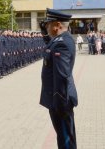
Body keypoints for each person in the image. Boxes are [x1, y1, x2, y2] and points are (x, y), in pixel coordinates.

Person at [39, 8, 78, 149]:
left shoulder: (62, 43)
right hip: (58, 98)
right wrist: (44, 33)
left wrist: (59, 104)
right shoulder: (60, 40)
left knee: (66, 139)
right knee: (63, 137)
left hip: (61, 100)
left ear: (58, 25)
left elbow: (62, 75)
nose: (47, 26)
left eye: (49, 24)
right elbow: (49, 46)